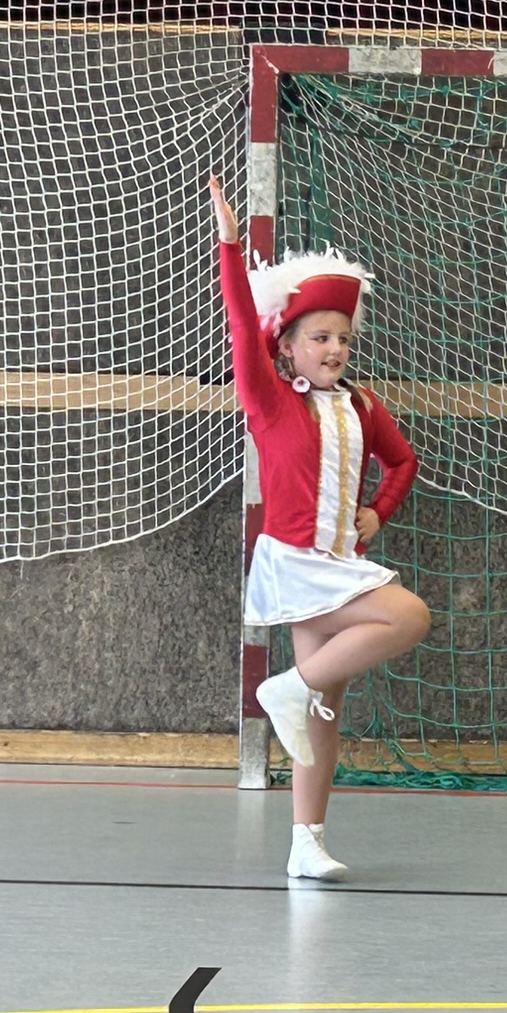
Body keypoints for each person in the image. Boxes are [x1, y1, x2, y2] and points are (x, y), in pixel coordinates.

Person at [208, 176, 431, 881]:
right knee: (408, 615)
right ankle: (283, 689)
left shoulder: (362, 405)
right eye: (319, 337)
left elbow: (403, 462)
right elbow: (241, 326)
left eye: (342, 337)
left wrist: (378, 511)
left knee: (323, 708)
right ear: (288, 346)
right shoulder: (271, 400)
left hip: (341, 562)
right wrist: (231, 247)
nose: (334, 348)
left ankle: (306, 842)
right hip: (296, 560)